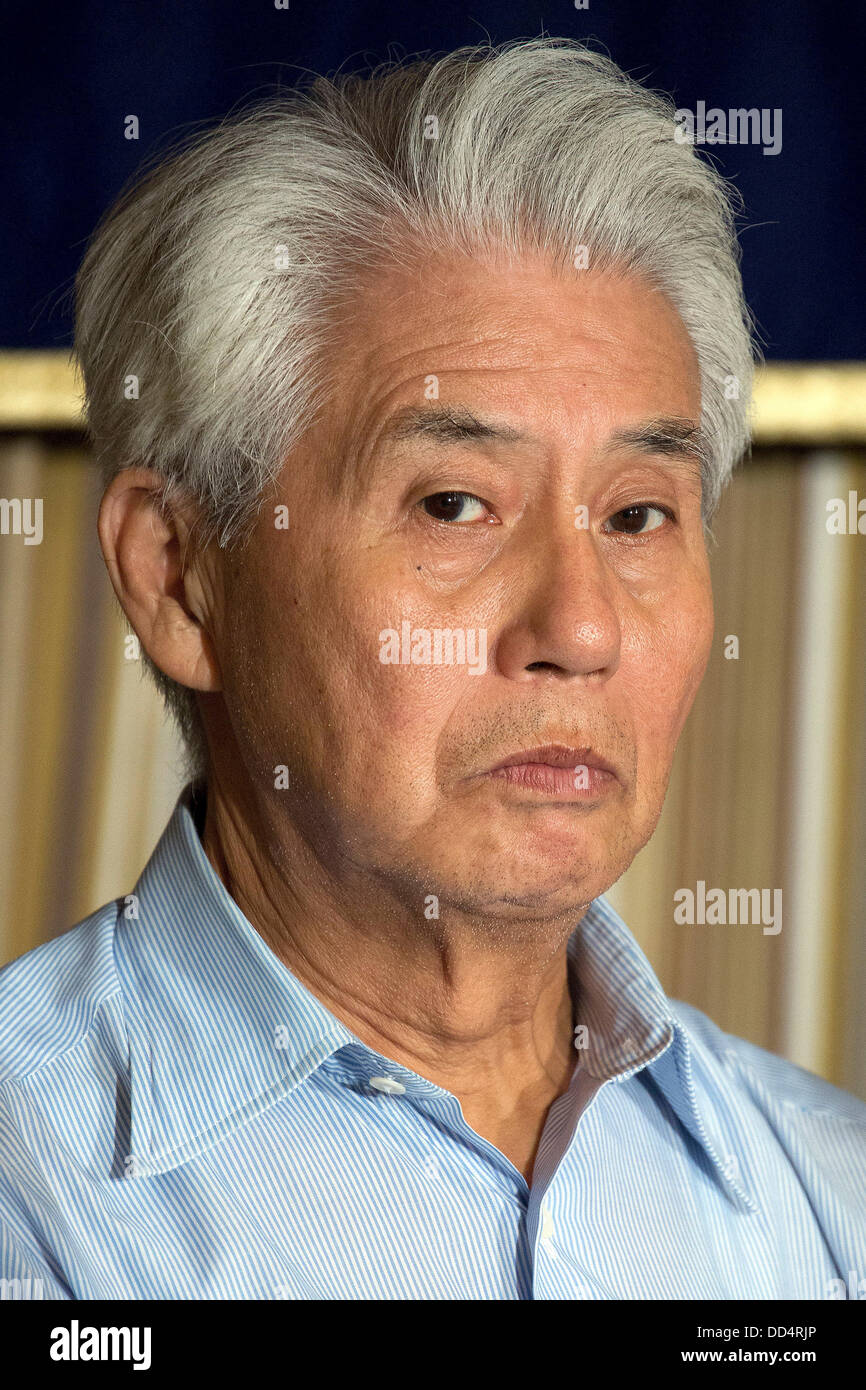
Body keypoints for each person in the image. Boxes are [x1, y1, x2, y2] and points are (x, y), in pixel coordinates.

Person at [2, 37, 864, 1300]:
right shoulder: (36, 1190)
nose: (578, 629)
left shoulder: (824, 1193)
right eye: (455, 504)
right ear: (182, 576)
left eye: (636, 517)